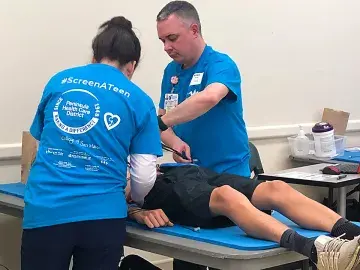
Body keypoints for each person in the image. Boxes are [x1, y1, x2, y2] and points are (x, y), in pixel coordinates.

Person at [21, 16, 162, 270]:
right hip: (102, 216)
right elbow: (143, 175)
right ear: (131, 66)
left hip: (46, 209)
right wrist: (136, 199)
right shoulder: (139, 100)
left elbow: (42, 140)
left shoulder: (59, 81)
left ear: (95, 56)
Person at [155, 1, 251, 268]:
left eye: (172, 38)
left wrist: (160, 124)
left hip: (229, 179)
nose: (166, 47)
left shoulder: (221, 64)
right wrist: (174, 141)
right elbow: (166, 121)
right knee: (187, 260)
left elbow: (209, 97)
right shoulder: (170, 73)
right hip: (190, 184)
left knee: (226, 257)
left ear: (194, 30)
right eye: (162, 40)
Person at [127, 163, 360, 270]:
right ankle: (320, 253)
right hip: (152, 193)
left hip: (177, 170)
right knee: (226, 196)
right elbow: (100, 189)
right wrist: (135, 211)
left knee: (275, 188)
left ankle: (354, 234)